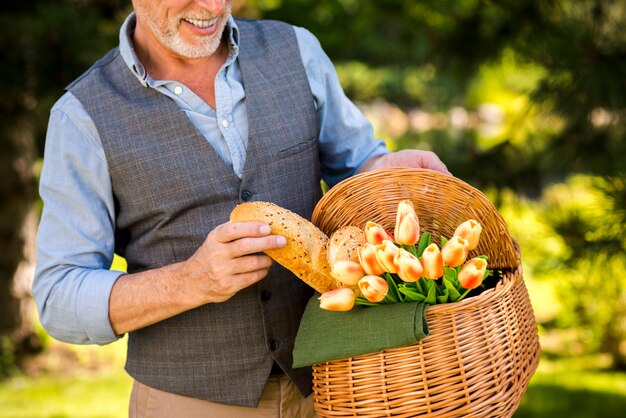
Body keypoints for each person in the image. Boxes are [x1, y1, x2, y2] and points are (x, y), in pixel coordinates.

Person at [33, 1, 449, 416]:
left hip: (336, 385)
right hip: (188, 404)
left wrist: (383, 170)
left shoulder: (297, 50)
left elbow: (356, 168)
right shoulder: (82, 117)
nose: (212, 6)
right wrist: (189, 281)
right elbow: (59, 294)